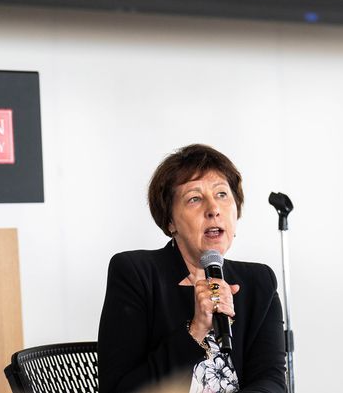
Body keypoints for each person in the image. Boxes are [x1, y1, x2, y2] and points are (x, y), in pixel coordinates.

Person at [98, 144, 286, 393]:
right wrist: (196, 330)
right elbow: (119, 389)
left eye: (222, 194)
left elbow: (271, 382)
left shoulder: (259, 282)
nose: (213, 209)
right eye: (194, 198)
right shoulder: (135, 274)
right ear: (170, 221)